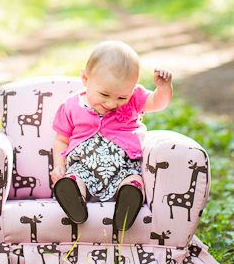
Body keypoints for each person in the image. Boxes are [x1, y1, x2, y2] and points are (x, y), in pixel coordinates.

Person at [51, 40, 173, 231]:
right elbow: (61, 139)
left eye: (121, 97)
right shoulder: (71, 106)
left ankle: (128, 200)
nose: (111, 103)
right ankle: (74, 200)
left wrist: (163, 88)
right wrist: (59, 166)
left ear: (132, 89)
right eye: (104, 94)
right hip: (83, 165)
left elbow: (158, 103)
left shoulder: (134, 100)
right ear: (85, 78)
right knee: (75, 178)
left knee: (133, 178)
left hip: (123, 164)